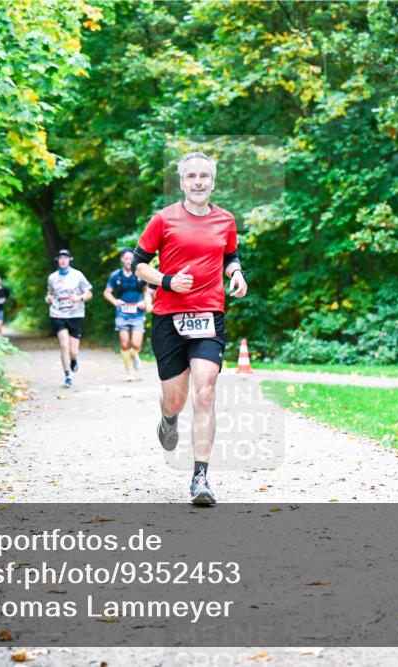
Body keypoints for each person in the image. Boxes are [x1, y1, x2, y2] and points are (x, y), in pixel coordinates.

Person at [132, 152, 247, 505]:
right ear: (182, 183)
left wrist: (236, 273)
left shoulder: (225, 220)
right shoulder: (163, 220)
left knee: (205, 392)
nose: (198, 181)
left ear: (212, 182)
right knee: (176, 399)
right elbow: (138, 265)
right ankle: (168, 419)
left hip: (209, 314)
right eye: (191, 176)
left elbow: (229, 255)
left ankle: (200, 477)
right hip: (169, 318)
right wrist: (166, 280)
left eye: (204, 176)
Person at [104, 248, 153, 381]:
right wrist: (115, 301)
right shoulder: (116, 275)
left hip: (137, 313)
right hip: (122, 314)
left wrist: (144, 302)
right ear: (122, 259)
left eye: (131, 258)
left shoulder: (140, 274)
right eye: (126, 258)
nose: (128, 260)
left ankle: (135, 355)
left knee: (136, 345)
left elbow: (148, 291)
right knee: (125, 344)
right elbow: (107, 292)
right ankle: (129, 373)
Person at [46, 249, 92, 388]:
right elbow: (49, 294)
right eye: (60, 258)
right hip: (58, 314)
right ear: (57, 260)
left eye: (65, 257)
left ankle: (74, 359)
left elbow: (89, 293)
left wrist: (80, 298)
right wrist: (48, 298)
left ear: (69, 259)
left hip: (75, 314)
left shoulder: (78, 275)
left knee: (73, 350)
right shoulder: (52, 278)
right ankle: (67, 375)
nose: (63, 260)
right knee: (63, 345)